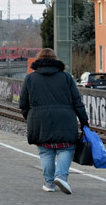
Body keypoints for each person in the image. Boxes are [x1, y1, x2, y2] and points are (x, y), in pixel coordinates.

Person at [19, 48, 89, 194]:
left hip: (40, 120)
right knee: (66, 148)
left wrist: (30, 117)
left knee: (46, 152)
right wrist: (84, 121)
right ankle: (61, 176)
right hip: (65, 119)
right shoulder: (66, 77)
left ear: (38, 61)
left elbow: (23, 104)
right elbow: (77, 102)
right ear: (56, 61)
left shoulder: (30, 78)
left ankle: (49, 183)